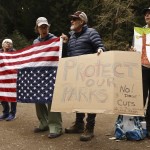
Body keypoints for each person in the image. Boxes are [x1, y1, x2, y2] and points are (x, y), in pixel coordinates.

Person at [64, 11, 105, 141]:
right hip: (75, 74)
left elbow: (100, 46)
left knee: (91, 100)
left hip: (90, 74)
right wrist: (65, 43)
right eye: (71, 19)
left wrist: (100, 50)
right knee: (78, 99)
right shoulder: (71, 36)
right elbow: (69, 54)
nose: (72, 21)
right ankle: (79, 124)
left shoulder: (91, 32)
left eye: (74, 19)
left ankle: (90, 128)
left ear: (82, 21)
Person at [33, 17, 63, 138]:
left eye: (45, 26)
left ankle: (56, 126)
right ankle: (43, 122)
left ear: (48, 27)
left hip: (52, 73)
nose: (43, 29)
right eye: (41, 27)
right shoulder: (35, 42)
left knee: (51, 99)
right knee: (37, 98)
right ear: (37, 28)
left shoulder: (55, 39)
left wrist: (63, 42)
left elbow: (61, 53)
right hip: (39, 73)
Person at [131, 7, 150, 138]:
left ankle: (148, 125)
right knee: (140, 97)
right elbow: (134, 47)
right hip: (143, 67)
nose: (148, 16)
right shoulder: (139, 32)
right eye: (146, 14)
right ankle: (137, 125)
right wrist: (133, 49)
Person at [0, 39, 17, 121]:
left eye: (10, 43)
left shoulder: (14, 53)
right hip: (1, 77)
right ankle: (5, 112)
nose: (8, 44)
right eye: (6, 42)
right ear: (2, 44)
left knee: (12, 96)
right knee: (2, 95)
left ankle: (13, 113)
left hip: (11, 77)